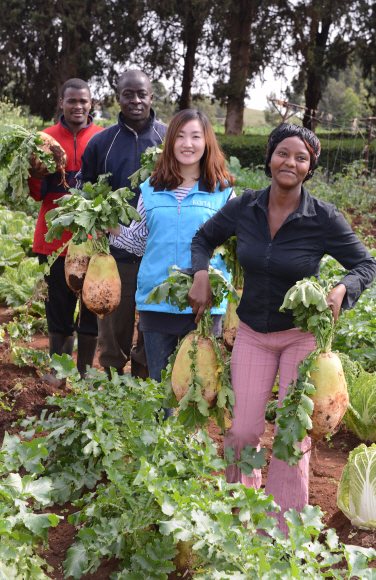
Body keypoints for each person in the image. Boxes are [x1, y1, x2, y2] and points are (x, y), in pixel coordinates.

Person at [187, 123, 376, 535]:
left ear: (310, 168)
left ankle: (284, 526)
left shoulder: (323, 218)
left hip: (301, 338)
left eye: (301, 157)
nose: (291, 162)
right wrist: (200, 273)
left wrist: (344, 287)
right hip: (253, 332)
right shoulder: (246, 207)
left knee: (293, 436)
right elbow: (203, 238)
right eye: (283, 153)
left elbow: (366, 264)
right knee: (242, 429)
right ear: (270, 156)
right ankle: (241, 513)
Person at [104, 108, 235, 396]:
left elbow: (236, 247)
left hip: (204, 302)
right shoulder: (150, 188)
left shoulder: (224, 192)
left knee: (199, 388)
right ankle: (160, 438)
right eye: (180, 136)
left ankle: (192, 440)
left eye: (195, 137)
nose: (187, 144)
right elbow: (140, 242)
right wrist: (113, 230)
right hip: (156, 299)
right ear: (170, 142)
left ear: (207, 142)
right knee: (160, 388)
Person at [76, 70, 168, 379]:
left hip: (160, 255)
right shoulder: (101, 142)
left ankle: (142, 389)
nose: (136, 100)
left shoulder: (168, 139)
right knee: (113, 330)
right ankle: (114, 388)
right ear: (119, 98)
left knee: (153, 332)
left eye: (142, 94)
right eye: (129, 94)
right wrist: (97, 214)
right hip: (116, 257)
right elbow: (82, 188)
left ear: (151, 97)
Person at [28, 78, 103, 385]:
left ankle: (84, 373)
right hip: (53, 241)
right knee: (58, 307)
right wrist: (35, 175)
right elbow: (36, 195)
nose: (78, 106)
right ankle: (59, 371)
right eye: (71, 101)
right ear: (61, 103)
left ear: (90, 103)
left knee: (92, 306)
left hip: (94, 241)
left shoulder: (102, 138)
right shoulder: (44, 139)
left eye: (83, 101)